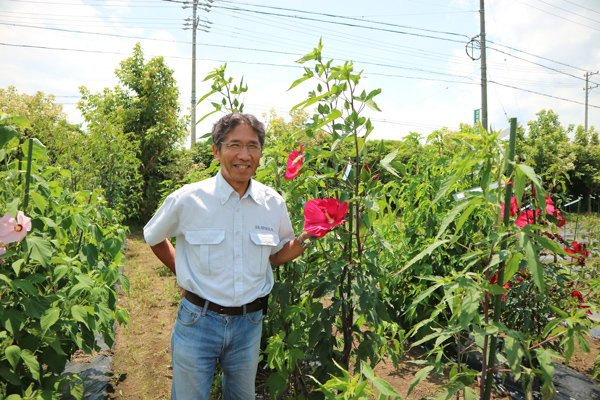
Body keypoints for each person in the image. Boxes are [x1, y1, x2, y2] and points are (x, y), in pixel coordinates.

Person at [143, 112, 315, 400]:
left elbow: (276, 254)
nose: (244, 155)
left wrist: (305, 238)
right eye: (234, 145)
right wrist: (182, 273)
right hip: (198, 321)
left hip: (249, 324)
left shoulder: (272, 203)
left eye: (253, 146)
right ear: (216, 150)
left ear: (261, 151)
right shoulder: (188, 199)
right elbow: (153, 237)